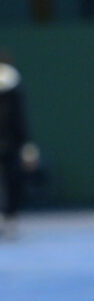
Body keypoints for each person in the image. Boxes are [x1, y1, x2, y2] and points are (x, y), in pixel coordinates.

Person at [0, 53, 39, 239]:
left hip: (11, 145)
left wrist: (26, 146)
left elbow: (19, 119)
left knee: (13, 180)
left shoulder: (14, 86)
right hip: (12, 143)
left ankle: (10, 217)